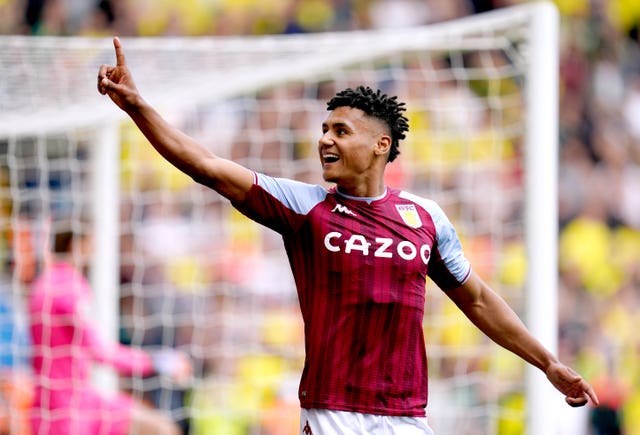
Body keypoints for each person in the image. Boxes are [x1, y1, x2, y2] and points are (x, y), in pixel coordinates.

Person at [98, 36, 599, 434]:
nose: (324, 139)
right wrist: (138, 107)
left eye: (340, 131)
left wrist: (548, 363)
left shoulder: (425, 218)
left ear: (381, 145)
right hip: (332, 412)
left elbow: (480, 301)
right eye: (324, 128)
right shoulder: (304, 206)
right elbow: (207, 166)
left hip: (407, 416)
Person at [28, 224, 192, 435]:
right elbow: (100, 351)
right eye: (91, 243)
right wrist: (156, 362)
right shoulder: (68, 288)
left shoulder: (44, 284)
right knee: (160, 429)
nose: (94, 251)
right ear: (76, 245)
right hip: (67, 410)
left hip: (72, 401)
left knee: (159, 428)